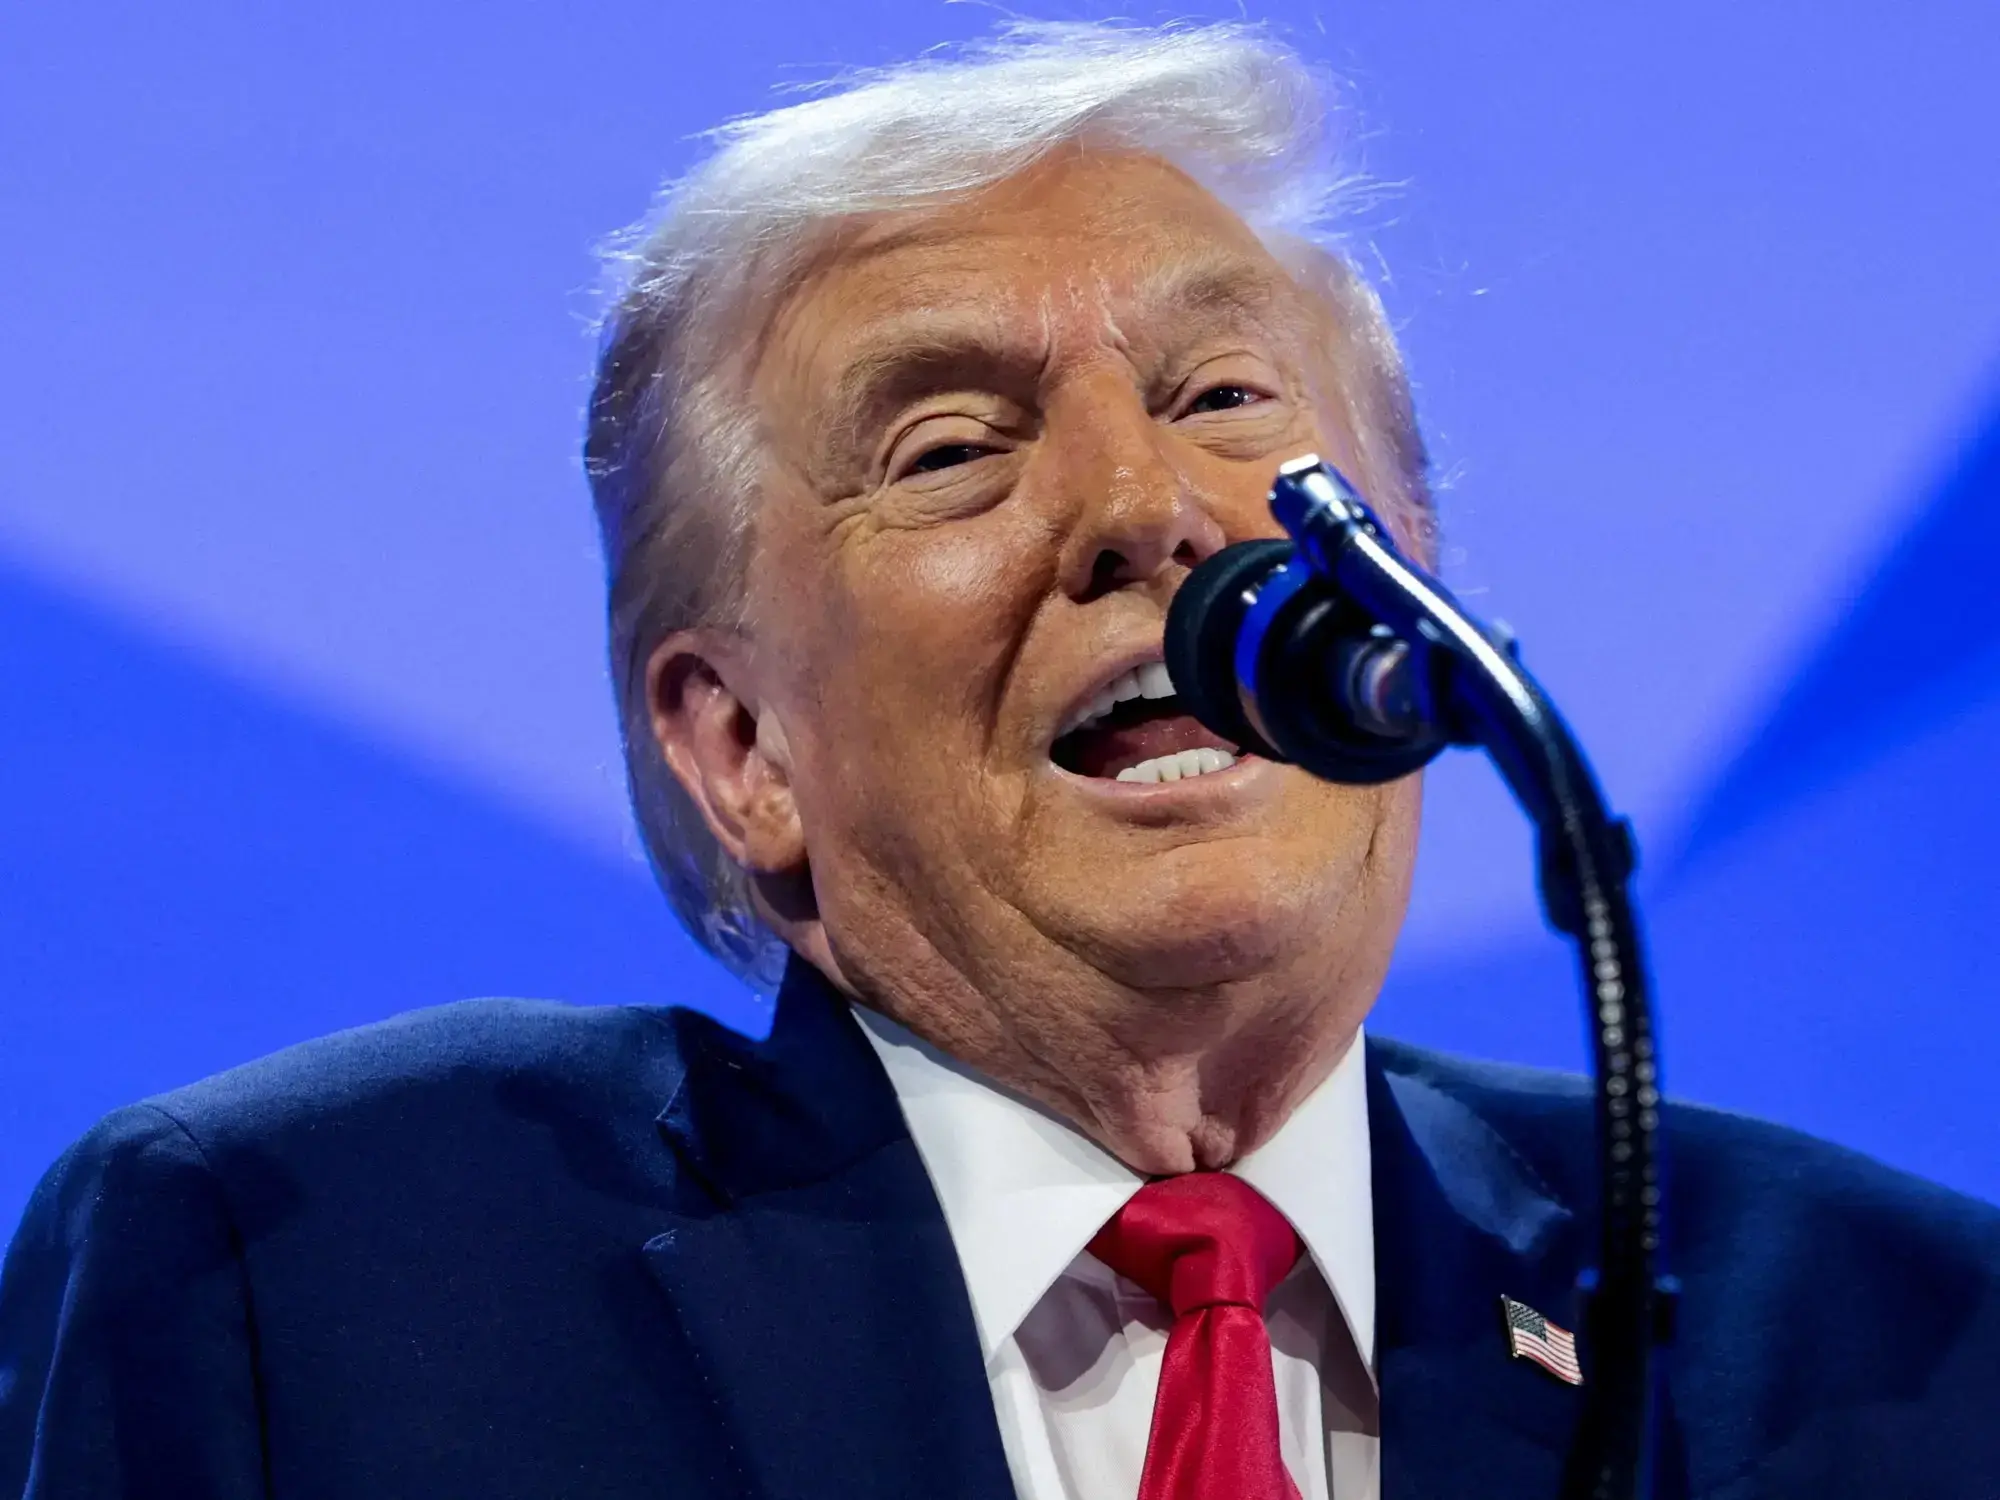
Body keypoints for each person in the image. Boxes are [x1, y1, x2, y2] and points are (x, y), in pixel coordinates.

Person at [2, 21, 1996, 1500]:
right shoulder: (310, 1277)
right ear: (738, 746)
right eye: (949, 447)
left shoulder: (1893, 1349)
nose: (1147, 507)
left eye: (1228, 396)